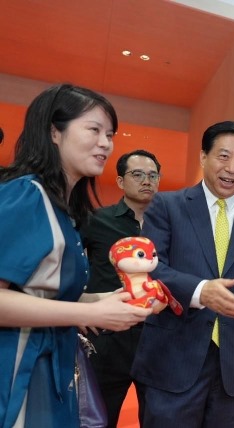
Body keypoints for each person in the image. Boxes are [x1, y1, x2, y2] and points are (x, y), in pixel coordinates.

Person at [0, 83, 151, 428]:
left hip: (52, 366)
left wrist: (105, 299)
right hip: (17, 372)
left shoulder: (64, 209)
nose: (106, 143)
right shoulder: (26, 195)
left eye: (109, 134)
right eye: (94, 130)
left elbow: (41, 294)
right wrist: (92, 312)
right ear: (54, 132)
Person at [130, 120, 234, 428]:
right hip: (173, 355)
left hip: (232, 363)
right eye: (223, 156)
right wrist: (199, 291)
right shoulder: (167, 205)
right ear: (203, 157)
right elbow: (151, 268)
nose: (232, 168)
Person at [80, 149, 162, 427]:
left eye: (153, 175)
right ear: (119, 181)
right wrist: (79, 303)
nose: (146, 181)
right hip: (108, 337)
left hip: (156, 337)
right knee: (100, 417)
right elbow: (68, 265)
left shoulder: (167, 224)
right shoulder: (97, 220)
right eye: (137, 174)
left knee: (158, 417)